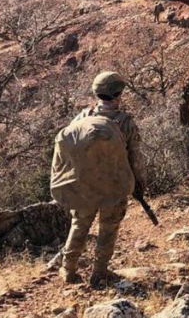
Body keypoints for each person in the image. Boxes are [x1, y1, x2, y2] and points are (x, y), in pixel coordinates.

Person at [52, 72, 145, 286]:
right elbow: (135, 158)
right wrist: (138, 183)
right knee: (108, 228)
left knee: (79, 225)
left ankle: (68, 271)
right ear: (119, 94)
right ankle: (99, 273)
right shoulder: (125, 122)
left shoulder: (82, 118)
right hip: (113, 188)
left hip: (84, 186)